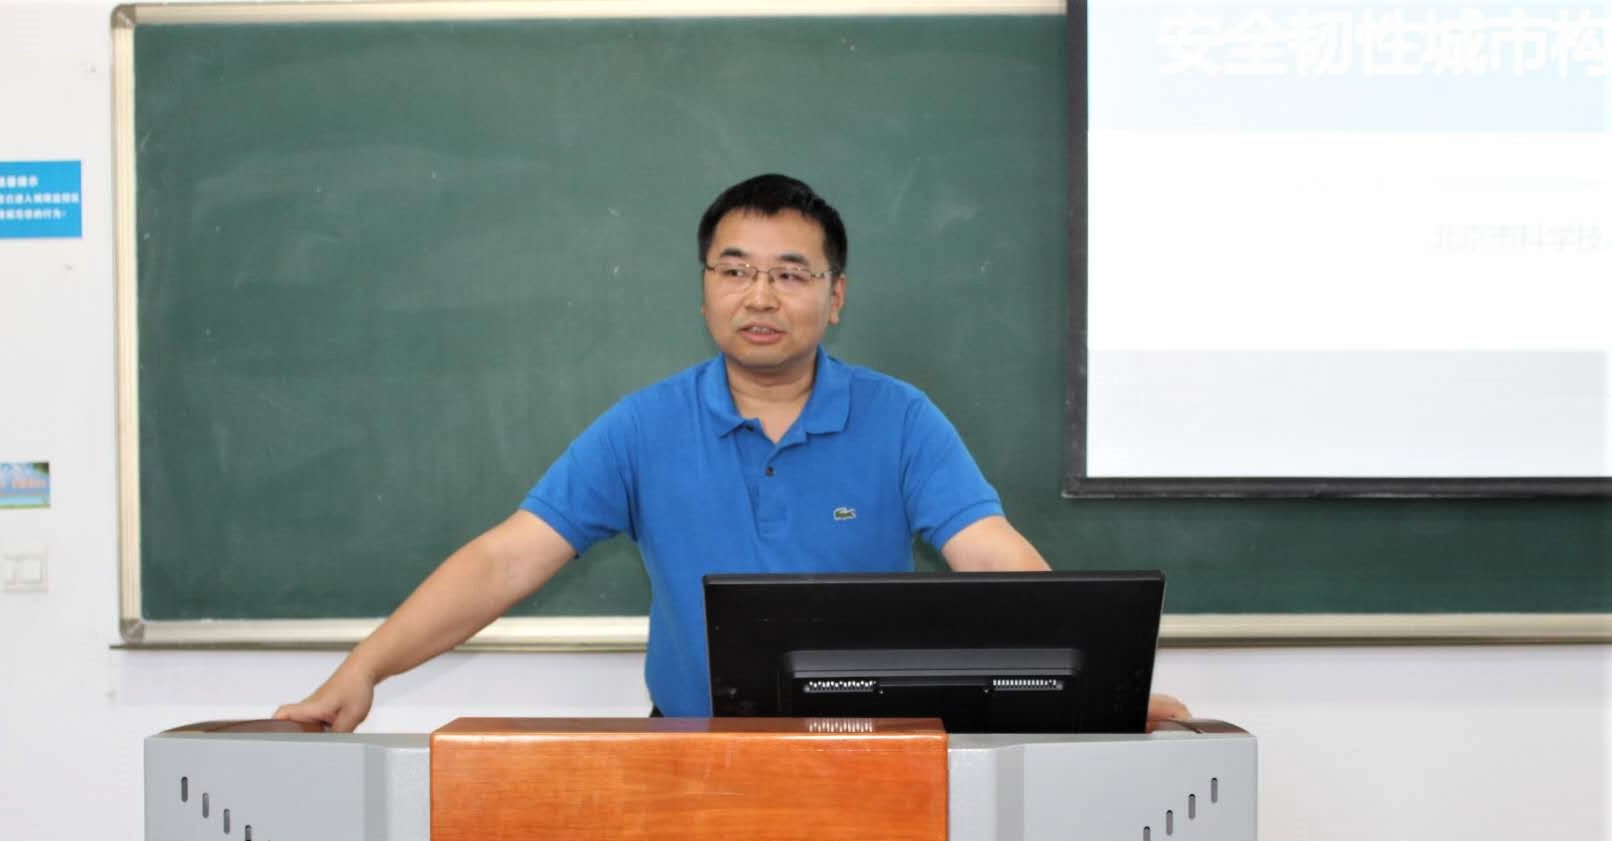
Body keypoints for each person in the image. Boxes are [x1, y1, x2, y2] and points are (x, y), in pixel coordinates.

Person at [275, 174, 1187, 731]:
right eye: (735, 269)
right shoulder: (643, 426)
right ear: (705, 288)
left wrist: (1101, 686)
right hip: (690, 747)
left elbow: (990, 555)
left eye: (790, 274)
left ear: (835, 297)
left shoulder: (900, 418)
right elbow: (506, 559)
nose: (761, 296)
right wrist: (364, 668)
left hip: (869, 753)